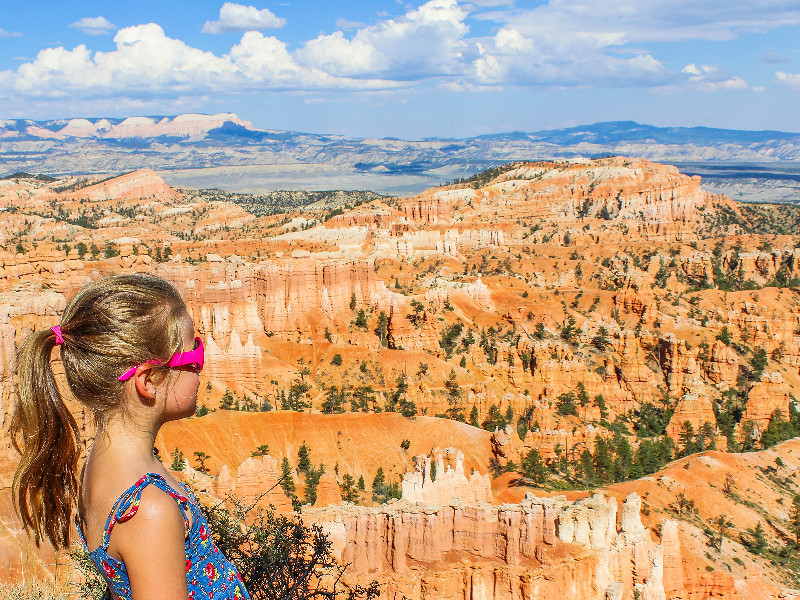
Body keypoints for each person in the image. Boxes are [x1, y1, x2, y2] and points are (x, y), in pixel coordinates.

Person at [11, 274, 249, 600]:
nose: (200, 366)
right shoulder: (149, 511)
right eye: (193, 354)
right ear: (147, 380)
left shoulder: (103, 469)